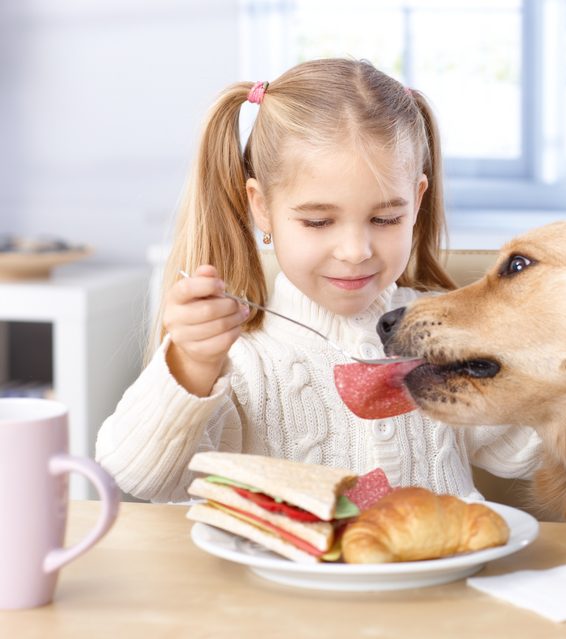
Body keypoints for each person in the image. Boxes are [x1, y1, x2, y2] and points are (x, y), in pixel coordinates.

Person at [96, 58, 540, 503]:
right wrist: (192, 363)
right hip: (281, 574)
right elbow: (142, 478)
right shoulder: (236, 355)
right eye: (318, 221)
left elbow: (529, 451)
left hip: (445, 569)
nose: (355, 250)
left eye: (385, 218)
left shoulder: (443, 329)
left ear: (417, 201)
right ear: (262, 206)